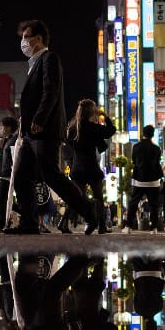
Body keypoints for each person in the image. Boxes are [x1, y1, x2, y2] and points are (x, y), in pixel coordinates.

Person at [5, 19, 98, 235]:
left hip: (43, 130)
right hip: (30, 133)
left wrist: (39, 119)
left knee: (52, 176)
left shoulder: (49, 59)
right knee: (21, 176)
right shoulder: (34, 63)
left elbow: (51, 91)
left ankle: (89, 211)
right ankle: (29, 222)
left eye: (26, 37)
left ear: (38, 39)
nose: (23, 42)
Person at [66, 100, 116, 234]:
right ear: (92, 112)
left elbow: (69, 143)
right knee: (98, 196)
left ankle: (65, 223)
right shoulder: (93, 127)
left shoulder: (73, 128)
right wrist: (105, 116)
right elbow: (110, 131)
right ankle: (101, 225)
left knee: (78, 197)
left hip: (77, 166)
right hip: (91, 166)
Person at [124, 125, 162, 233]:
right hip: (153, 180)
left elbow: (134, 161)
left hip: (139, 179)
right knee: (153, 204)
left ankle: (128, 227)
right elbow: (157, 161)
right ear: (153, 135)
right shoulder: (156, 148)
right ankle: (154, 228)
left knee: (134, 202)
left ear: (143, 134)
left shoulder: (136, 147)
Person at [0, 116, 19, 229]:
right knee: (3, 199)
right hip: (5, 173)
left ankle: (1, 223)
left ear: (8, 128)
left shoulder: (13, 140)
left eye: (2, 126)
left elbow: (14, 158)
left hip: (9, 174)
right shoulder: (8, 140)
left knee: (2, 199)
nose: (0, 128)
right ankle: (2, 223)